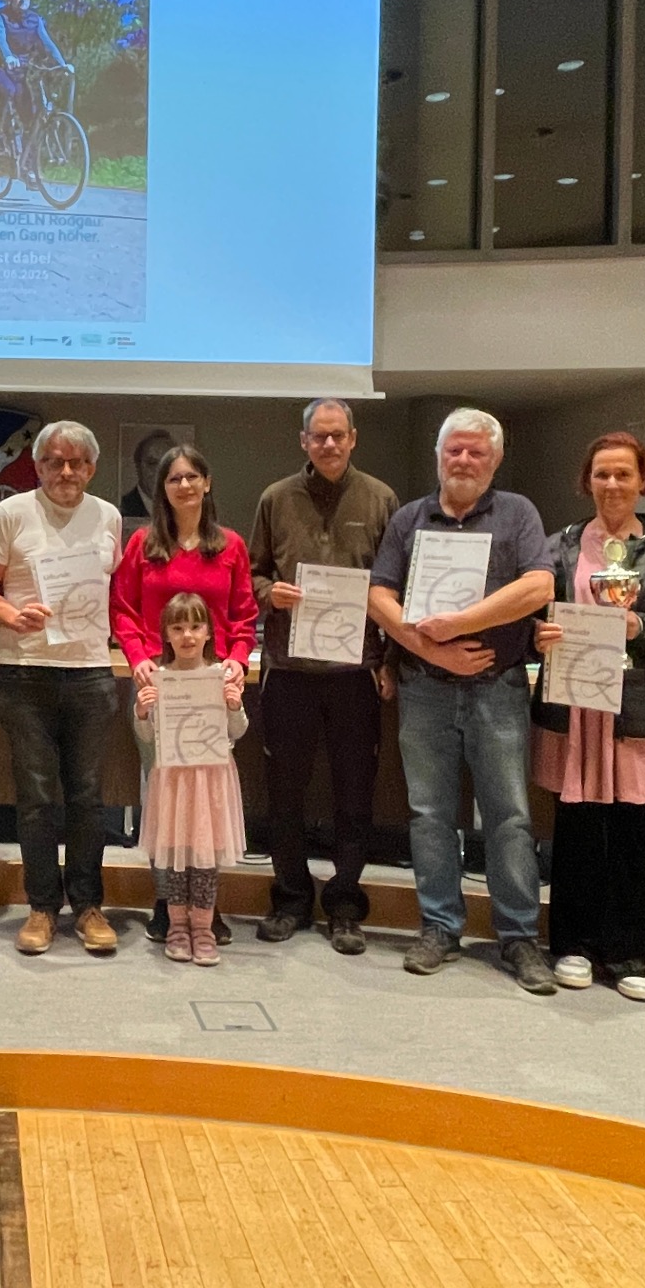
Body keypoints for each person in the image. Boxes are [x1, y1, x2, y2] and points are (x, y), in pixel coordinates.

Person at [368, 408, 558, 993]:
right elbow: (379, 595)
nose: (464, 461)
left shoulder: (517, 514)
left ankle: (519, 937)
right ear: (438, 456)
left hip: (497, 689)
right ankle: (440, 926)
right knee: (429, 814)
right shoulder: (408, 519)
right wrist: (433, 648)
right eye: (455, 451)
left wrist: (458, 625)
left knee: (508, 816)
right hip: (425, 689)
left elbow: (539, 587)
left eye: (477, 452)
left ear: (495, 459)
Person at [531, 432, 645, 1001]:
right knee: (576, 833)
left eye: (623, 475)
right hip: (575, 709)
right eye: (601, 475)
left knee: (634, 836)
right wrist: (539, 634)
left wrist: (642, 628)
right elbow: (530, 615)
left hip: (638, 711)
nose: (612, 485)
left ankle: (633, 952)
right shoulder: (557, 547)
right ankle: (573, 946)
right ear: (587, 481)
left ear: (643, 481)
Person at [247, 397, 400, 954]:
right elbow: (254, 574)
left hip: (355, 670)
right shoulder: (275, 497)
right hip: (289, 670)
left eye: (338, 435)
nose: (329, 444)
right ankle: (290, 898)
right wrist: (272, 594)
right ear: (304, 441)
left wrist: (390, 658)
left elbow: (394, 588)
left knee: (354, 792)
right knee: (284, 790)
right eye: (319, 436)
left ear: (353, 438)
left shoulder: (382, 498)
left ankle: (344, 903)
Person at [0, 419, 124, 955]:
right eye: (55, 462)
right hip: (26, 673)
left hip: (89, 674)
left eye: (77, 462)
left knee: (87, 797)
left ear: (92, 468)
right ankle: (41, 907)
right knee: (36, 799)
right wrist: (12, 616)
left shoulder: (108, 516)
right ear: (37, 466)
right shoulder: (10, 512)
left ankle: (87, 905)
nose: (66, 471)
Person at [109, 442, 256, 944]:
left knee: (206, 799)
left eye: (193, 476)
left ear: (207, 483)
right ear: (162, 489)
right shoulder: (142, 545)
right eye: (174, 479)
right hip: (159, 685)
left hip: (211, 685)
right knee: (163, 795)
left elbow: (243, 618)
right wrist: (138, 660)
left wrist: (235, 663)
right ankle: (167, 900)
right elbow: (123, 611)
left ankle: (204, 907)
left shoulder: (231, 546)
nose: (185, 485)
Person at [133, 595, 249, 967]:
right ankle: (177, 926)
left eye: (196, 627)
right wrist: (142, 710)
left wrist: (234, 705)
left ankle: (203, 928)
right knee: (175, 856)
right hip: (173, 782)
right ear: (165, 634)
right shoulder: (159, 678)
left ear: (209, 632)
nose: (187, 635)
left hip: (209, 781)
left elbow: (237, 730)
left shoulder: (221, 675)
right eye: (177, 627)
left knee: (203, 858)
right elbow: (147, 736)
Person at [0, 0, 71, 188]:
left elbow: (47, 43)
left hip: (21, 73)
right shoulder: (0, 16)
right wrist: (7, 56)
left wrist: (62, 64)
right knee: (7, 90)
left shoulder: (35, 19)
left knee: (31, 120)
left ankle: (27, 169)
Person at [118, 428, 177, 520]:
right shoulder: (123, 507)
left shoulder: (182, 508)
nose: (159, 471)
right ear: (138, 466)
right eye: (152, 463)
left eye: (166, 464)